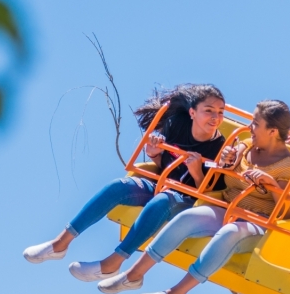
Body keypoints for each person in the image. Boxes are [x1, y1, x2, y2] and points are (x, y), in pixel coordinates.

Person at [97, 100, 290, 294]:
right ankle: (133, 276)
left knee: (230, 232)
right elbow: (224, 165)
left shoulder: (288, 165)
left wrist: (272, 185)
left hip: (256, 223)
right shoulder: (247, 145)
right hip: (227, 208)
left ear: (273, 131)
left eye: (256, 124)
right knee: (188, 218)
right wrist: (226, 159)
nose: (250, 127)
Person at [23, 84, 227, 281]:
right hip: (161, 184)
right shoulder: (177, 124)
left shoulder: (219, 146)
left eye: (220, 112)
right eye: (209, 111)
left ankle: (113, 263)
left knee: (162, 200)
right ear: (192, 112)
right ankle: (60, 243)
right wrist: (154, 154)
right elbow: (164, 164)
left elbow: (210, 193)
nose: (215, 118)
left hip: (187, 201)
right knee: (117, 187)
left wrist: (197, 172)